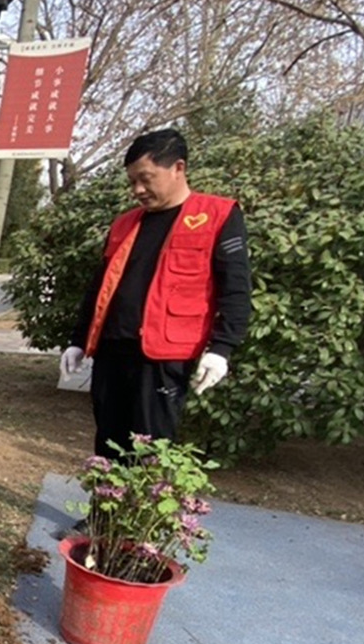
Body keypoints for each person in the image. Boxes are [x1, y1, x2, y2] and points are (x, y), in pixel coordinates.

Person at [60, 128, 252, 460]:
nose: (138, 189)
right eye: (132, 181)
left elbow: (236, 288)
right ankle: (105, 497)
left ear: (178, 168)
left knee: (150, 445)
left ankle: (146, 497)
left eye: (146, 179)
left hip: (162, 356)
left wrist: (222, 348)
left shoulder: (217, 216)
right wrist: (79, 340)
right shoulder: (125, 224)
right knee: (108, 440)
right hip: (112, 349)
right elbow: (100, 287)